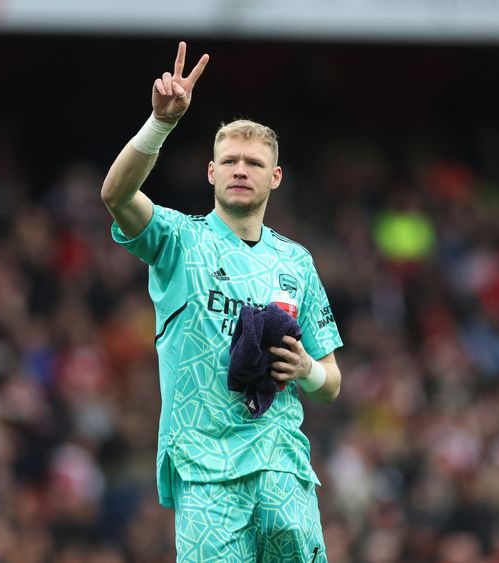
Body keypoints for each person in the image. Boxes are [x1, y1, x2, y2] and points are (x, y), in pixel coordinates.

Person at [100, 41, 343, 563]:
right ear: (211, 173)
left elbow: (331, 383)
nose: (240, 169)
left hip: (280, 457)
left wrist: (305, 369)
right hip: (204, 464)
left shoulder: (296, 261)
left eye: (253, 162)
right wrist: (160, 123)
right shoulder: (178, 240)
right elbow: (116, 196)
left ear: (273, 178)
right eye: (228, 160)